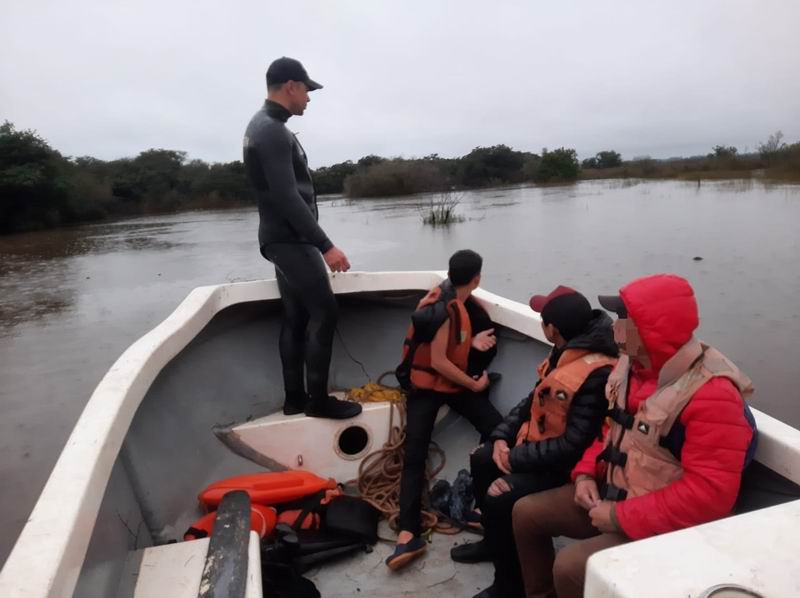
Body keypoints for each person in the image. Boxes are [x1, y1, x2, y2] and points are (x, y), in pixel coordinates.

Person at [512, 273, 757, 598]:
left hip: (666, 524)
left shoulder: (713, 397)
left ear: (649, 331)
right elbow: (609, 431)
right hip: (614, 494)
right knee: (526, 513)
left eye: (622, 321)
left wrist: (619, 517)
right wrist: (585, 474)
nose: (613, 328)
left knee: (571, 567)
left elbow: (710, 496)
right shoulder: (631, 368)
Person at [453, 286, 618, 598]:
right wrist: (501, 438)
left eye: (544, 319)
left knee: (501, 498)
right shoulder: (565, 351)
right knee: (483, 459)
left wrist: (516, 460)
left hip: (567, 467)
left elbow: (575, 445)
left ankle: (509, 585)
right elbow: (532, 401)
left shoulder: (596, 372)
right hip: (542, 449)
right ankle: (495, 543)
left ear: (552, 329)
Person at [243, 57, 360, 419]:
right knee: (324, 311)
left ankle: (295, 399)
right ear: (290, 86)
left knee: (295, 316)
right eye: (307, 90)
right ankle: (318, 402)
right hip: (290, 240)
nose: (309, 98)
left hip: (280, 238)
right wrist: (326, 246)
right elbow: (286, 195)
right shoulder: (272, 130)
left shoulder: (263, 126)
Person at [386, 249, 502, 570]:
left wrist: (472, 342)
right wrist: (475, 385)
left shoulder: (451, 298)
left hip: (438, 385)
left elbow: (452, 344)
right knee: (415, 454)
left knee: (496, 428)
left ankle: (473, 509)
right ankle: (408, 534)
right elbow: (438, 361)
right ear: (477, 279)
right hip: (431, 387)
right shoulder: (443, 308)